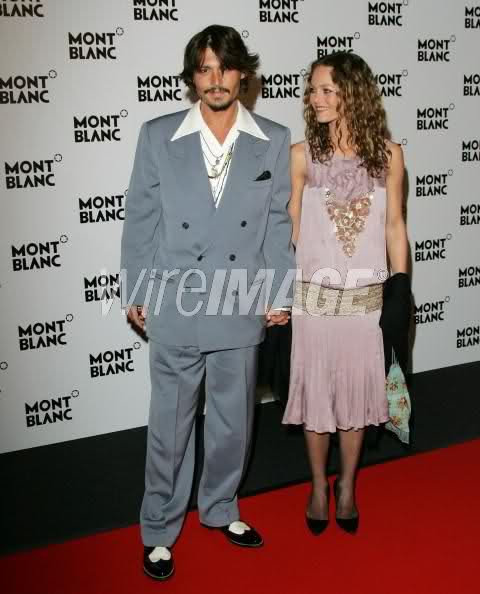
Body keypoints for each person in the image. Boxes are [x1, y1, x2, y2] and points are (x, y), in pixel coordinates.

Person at [120, 24, 294, 580]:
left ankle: (220, 507)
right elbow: (141, 219)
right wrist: (137, 288)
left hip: (239, 300)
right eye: (204, 69)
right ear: (192, 78)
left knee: (233, 423)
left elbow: (276, 224)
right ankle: (159, 527)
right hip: (177, 301)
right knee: (169, 426)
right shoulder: (158, 135)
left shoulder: (272, 138)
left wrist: (279, 291)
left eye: (226, 67)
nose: (215, 79)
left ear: (243, 74)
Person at [282, 52, 410, 535]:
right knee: (316, 401)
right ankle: (318, 486)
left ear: (352, 94)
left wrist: (401, 286)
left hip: (364, 303)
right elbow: (290, 231)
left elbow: (395, 225)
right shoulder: (300, 156)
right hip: (313, 303)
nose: (315, 99)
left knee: (356, 403)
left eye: (327, 90)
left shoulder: (389, 155)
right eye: (312, 90)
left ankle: (348, 485)